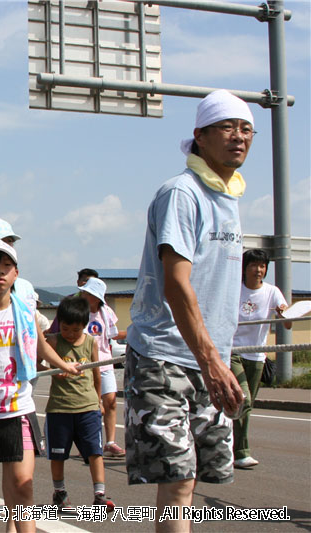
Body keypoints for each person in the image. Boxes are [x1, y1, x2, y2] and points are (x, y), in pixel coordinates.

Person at [125, 89, 249, 532]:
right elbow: (177, 285)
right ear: (199, 135)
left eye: (247, 129)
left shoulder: (228, 199)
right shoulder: (182, 193)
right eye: (228, 127)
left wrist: (218, 358)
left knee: (193, 482)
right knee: (177, 482)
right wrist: (213, 360)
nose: (240, 137)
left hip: (207, 357)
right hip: (164, 356)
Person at [0, 239, 81, 533]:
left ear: (16, 273)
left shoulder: (24, 311)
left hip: (18, 410)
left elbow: (39, 345)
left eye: (7, 266)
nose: (0, 271)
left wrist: (64, 365)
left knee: (23, 487)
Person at [45, 295, 114, 511]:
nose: (71, 334)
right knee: (58, 455)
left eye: (76, 330)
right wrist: (54, 372)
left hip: (88, 407)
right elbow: (36, 361)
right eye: (66, 329)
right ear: (60, 324)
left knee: (95, 452)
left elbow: (96, 374)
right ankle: (60, 492)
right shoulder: (54, 341)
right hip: (59, 408)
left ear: (85, 326)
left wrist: (99, 401)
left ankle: (100, 494)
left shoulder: (91, 342)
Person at [231, 249, 291, 468]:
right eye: (254, 265)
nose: (258, 270)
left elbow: (287, 323)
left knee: (245, 405)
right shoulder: (233, 290)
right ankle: (239, 450)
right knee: (242, 398)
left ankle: (236, 452)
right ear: (244, 268)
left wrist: (284, 312)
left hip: (257, 356)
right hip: (233, 353)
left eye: (262, 266)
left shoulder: (272, 291)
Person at [77, 277, 126, 458]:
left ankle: (110, 442)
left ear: (96, 297)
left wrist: (133, 331)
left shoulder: (106, 312)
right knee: (89, 404)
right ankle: (90, 441)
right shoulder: (78, 310)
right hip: (84, 364)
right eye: (83, 291)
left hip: (105, 362)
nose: (83, 294)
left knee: (110, 402)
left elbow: (113, 334)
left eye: (87, 293)